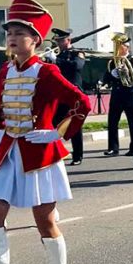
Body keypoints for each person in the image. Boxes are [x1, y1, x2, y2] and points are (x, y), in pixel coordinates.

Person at [0, 0, 91, 264]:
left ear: (34, 39)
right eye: (9, 31)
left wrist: (57, 132)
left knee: (44, 220)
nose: (11, 37)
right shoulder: (4, 72)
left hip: (38, 155)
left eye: (19, 32)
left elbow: (81, 103)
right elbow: (0, 114)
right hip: (8, 151)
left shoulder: (47, 72)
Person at [46, 28, 86, 166]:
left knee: (74, 123)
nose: (59, 43)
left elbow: (77, 66)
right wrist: (50, 61)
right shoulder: (58, 54)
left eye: (61, 40)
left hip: (74, 93)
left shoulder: (77, 53)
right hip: (60, 93)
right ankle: (54, 151)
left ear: (68, 40)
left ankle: (78, 155)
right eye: (57, 41)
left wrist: (56, 60)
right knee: (53, 122)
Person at [103, 34, 133, 157]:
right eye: (118, 45)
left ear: (127, 48)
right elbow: (105, 78)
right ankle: (113, 148)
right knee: (112, 122)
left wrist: (128, 73)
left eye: (122, 46)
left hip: (130, 95)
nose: (120, 48)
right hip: (117, 95)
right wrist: (112, 74)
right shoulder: (112, 62)